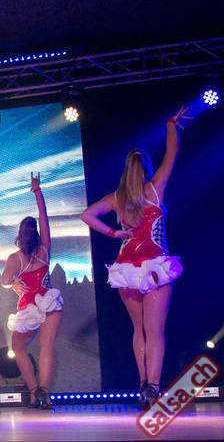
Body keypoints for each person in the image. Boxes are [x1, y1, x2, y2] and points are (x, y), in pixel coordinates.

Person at [81, 106, 190, 408]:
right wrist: (170, 125)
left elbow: (87, 215)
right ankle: (152, 387)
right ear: (145, 168)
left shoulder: (116, 199)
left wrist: (113, 233)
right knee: (155, 331)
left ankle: (143, 383)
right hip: (154, 265)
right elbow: (172, 154)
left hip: (127, 267)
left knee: (138, 329)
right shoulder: (155, 189)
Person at [0, 172, 62, 408]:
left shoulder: (15, 259)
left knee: (18, 348)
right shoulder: (44, 249)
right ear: (35, 233)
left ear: (19, 235)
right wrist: (37, 191)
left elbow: (4, 280)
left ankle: (35, 392)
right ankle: (43, 394)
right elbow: (43, 216)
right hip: (50, 302)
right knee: (47, 347)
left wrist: (13, 282)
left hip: (30, 307)